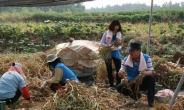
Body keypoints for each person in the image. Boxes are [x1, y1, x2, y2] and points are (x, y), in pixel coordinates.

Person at [117, 42, 155, 107]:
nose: (130, 52)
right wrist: (121, 72)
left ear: (138, 51)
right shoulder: (126, 59)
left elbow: (151, 71)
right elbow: (121, 70)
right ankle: (135, 96)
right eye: (130, 50)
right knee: (119, 87)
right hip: (131, 82)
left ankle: (151, 101)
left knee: (151, 79)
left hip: (142, 82)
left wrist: (145, 73)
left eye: (132, 51)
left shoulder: (146, 58)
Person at [100, 19, 123, 91]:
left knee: (119, 69)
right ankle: (111, 85)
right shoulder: (106, 33)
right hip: (108, 53)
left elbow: (120, 45)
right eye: (115, 26)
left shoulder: (119, 34)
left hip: (116, 52)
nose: (116, 28)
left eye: (118, 26)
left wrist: (117, 47)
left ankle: (119, 85)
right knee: (109, 69)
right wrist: (108, 46)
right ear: (112, 26)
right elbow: (101, 43)